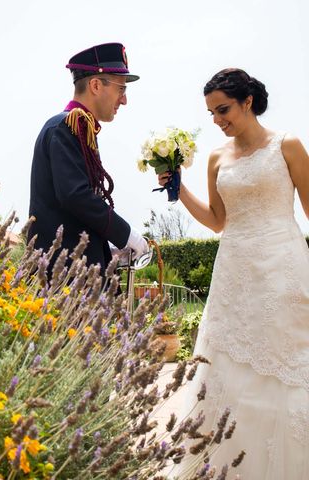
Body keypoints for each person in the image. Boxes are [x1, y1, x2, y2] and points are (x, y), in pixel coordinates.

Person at [162, 68, 309, 478]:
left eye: (223, 109)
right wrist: (179, 188)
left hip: (282, 266)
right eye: (211, 113)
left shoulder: (288, 145)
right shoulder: (215, 158)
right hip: (234, 269)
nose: (217, 120)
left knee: (285, 358)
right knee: (226, 365)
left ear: (248, 101)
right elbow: (216, 221)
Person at [27, 42, 149, 276]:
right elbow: (76, 196)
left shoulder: (78, 128)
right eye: (121, 89)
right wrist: (126, 235)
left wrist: (109, 246)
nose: (124, 100)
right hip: (65, 277)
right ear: (95, 85)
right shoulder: (66, 126)